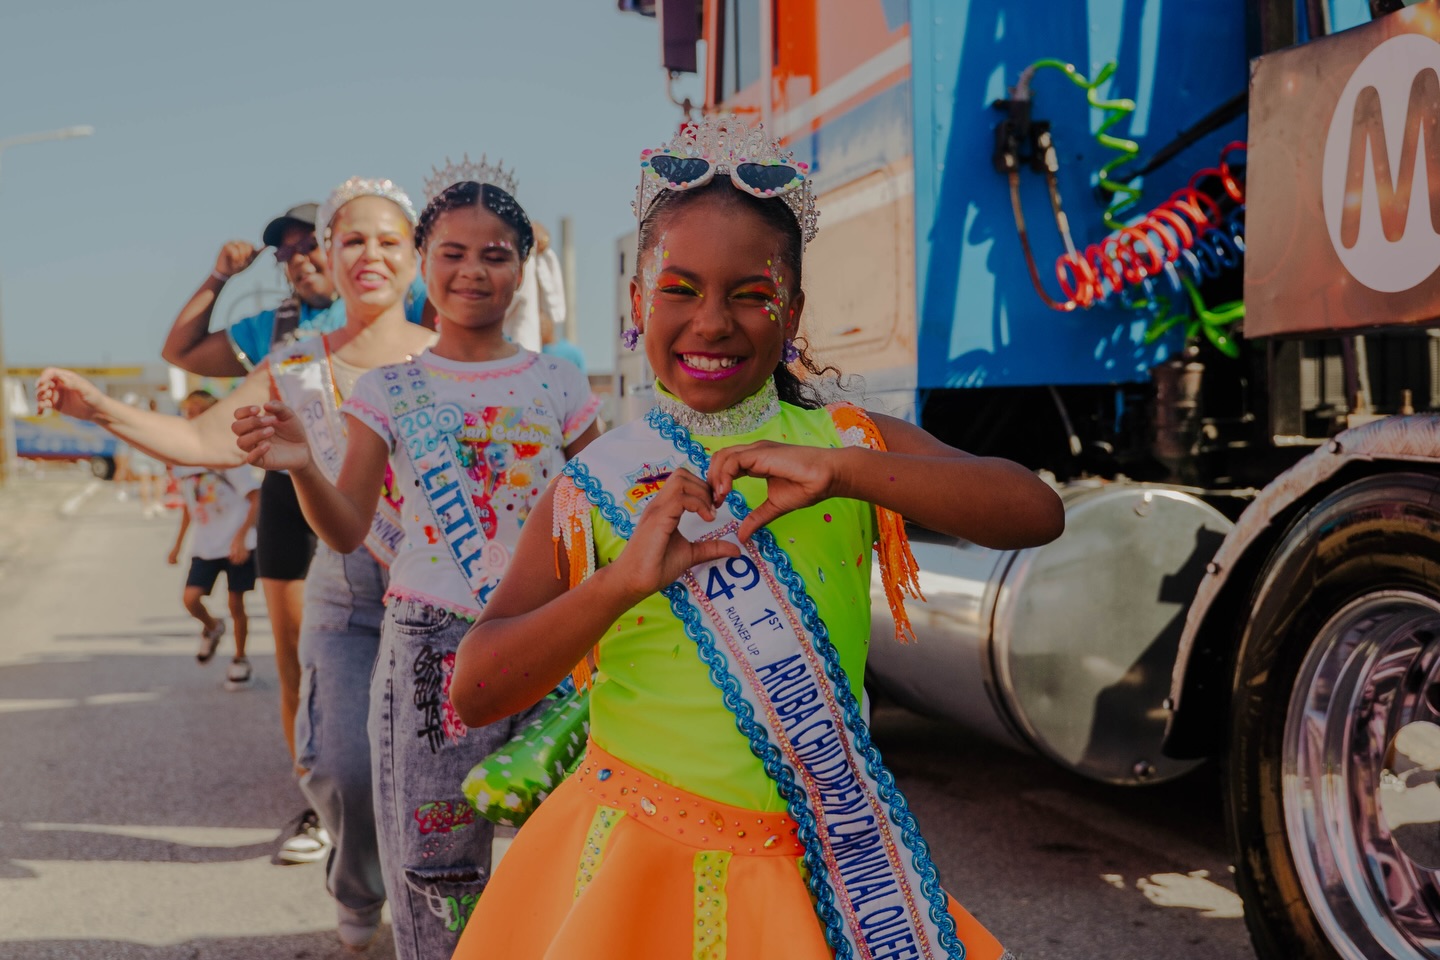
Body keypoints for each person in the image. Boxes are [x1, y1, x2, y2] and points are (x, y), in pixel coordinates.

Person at [446, 117, 1063, 960]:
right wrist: (619, 583)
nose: (713, 322)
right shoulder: (590, 487)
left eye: (750, 293)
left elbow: (1033, 511)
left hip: (816, 877)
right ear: (636, 300)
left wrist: (844, 472)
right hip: (631, 863)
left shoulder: (850, 442)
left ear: (793, 309)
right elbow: (478, 690)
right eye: (680, 289)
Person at [37, 176, 436, 951]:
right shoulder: (295, 362)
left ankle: (435, 913)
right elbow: (200, 440)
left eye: (390, 241)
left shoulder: (451, 355)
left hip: (439, 596)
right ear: (329, 253)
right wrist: (101, 409)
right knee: (348, 767)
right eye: (353, 239)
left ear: (415, 259)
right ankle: (357, 892)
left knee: (436, 777)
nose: (371, 256)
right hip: (348, 591)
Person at [234, 160, 601, 960]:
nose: (473, 271)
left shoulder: (560, 383)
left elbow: (603, 513)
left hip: (549, 640)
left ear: (522, 265)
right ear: (424, 264)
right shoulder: (389, 391)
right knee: (437, 865)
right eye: (454, 253)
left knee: (569, 853)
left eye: (496, 254)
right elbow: (345, 529)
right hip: (430, 654)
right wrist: (302, 465)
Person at [159, 201, 433, 866]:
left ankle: (405, 799)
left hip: (391, 501)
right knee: (301, 664)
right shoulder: (275, 327)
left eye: (313, 245)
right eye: (288, 254)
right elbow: (182, 352)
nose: (302, 259)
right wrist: (218, 277)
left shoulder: (400, 297)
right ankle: (320, 804)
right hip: (295, 491)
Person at [165, 389, 260, 688]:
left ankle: (240, 658)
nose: (192, 415)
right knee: (191, 599)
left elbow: (256, 497)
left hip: (237, 544)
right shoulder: (184, 459)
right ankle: (213, 627)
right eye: (187, 410)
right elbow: (190, 506)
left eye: (198, 409)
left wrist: (242, 537)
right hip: (206, 544)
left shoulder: (228, 454)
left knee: (236, 603)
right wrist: (178, 544)